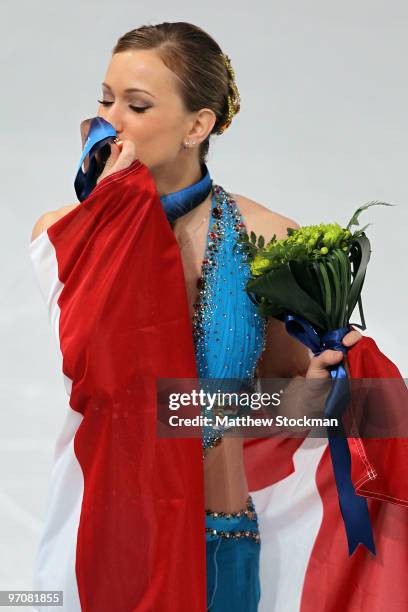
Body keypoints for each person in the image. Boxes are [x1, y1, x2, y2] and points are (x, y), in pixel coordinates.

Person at [30, 22, 363, 611]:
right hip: (103, 534)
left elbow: (326, 409)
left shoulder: (269, 242)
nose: (113, 120)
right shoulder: (63, 239)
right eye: (105, 100)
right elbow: (110, 392)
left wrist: (316, 397)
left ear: (198, 125)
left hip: (216, 541)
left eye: (136, 105)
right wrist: (110, 214)